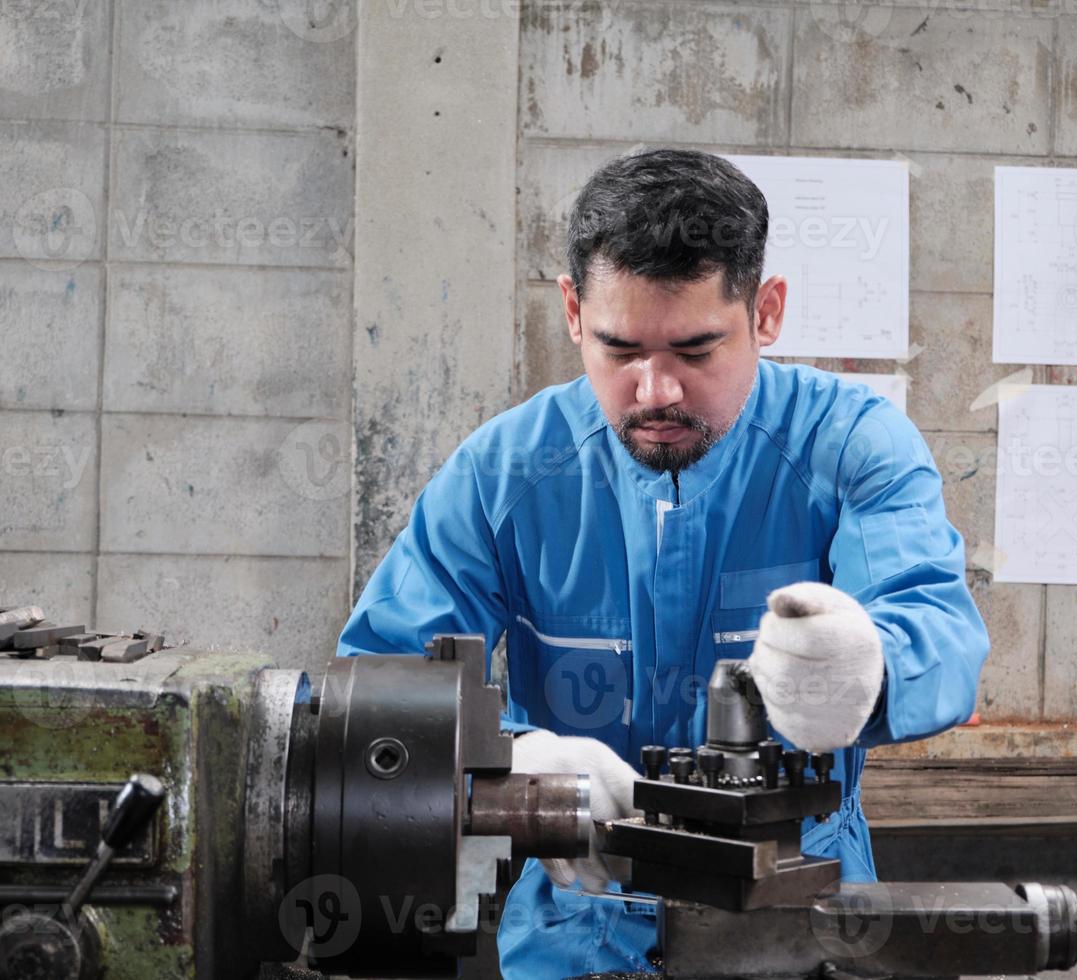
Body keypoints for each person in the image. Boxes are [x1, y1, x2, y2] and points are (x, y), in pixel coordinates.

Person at [338, 147, 989, 978]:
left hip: (801, 918)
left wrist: (870, 670)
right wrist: (510, 761)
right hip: (579, 926)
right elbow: (380, 684)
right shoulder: (504, 474)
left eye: (695, 350)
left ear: (767, 311)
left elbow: (938, 631)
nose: (656, 391)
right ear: (573, 311)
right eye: (620, 349)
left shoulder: (852, 445)